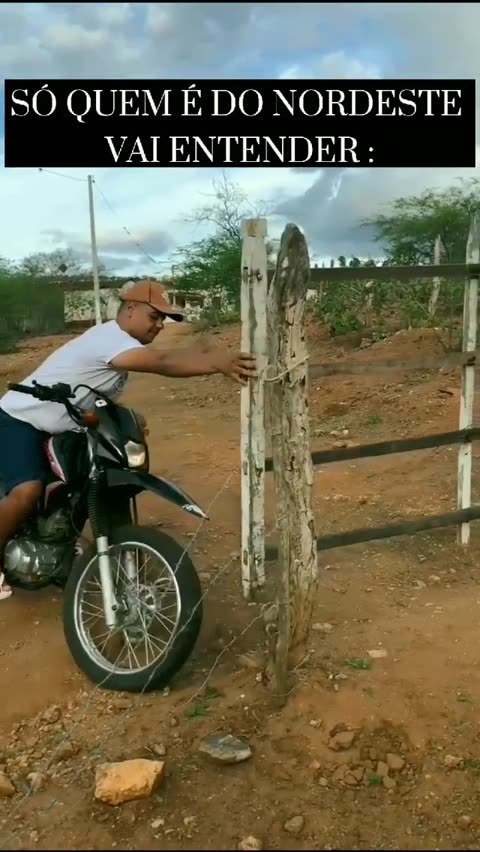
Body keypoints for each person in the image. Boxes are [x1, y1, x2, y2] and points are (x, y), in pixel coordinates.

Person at [0, 279, 256, 600]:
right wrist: (217, 363)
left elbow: (95, 396)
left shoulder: (120, 346)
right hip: (19, 420)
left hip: (59, 427)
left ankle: (56, 544)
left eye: (164, 319)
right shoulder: (110, 339)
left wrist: (128, 416)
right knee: (27, 491)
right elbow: (162, 363)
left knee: (82, 484)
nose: (160, 325)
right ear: (131, 309)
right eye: (154, 316)